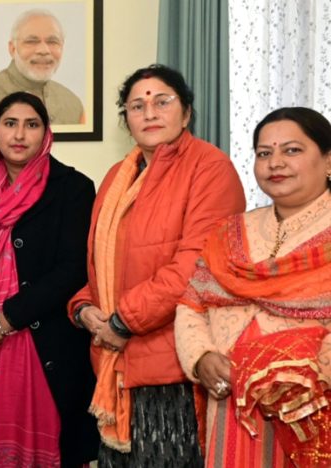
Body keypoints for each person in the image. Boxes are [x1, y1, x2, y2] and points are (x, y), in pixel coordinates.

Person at [67, 64, 246, 467]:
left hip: (173, 367)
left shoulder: (210, 168)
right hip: (115, 366)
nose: (149, 113)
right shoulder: (119, 176)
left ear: (185, 113)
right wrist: (83, 309)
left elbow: (194, 268)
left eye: (162, 102)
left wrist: (120, 322)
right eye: (136, 105)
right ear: (126, 120)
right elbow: (100, 264)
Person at [0, 91, 98, 466]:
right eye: (9, 123)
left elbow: (72, 269)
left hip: (46, 349)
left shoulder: (73, 189)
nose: (20, 134)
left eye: (32, 125)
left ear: (46, 135)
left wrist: (3, 319)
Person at [175, 107, 331, 467]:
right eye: (264, 153)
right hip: (231, 402)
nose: (275, 162)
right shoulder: (230, 232)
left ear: (327, 161)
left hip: (310, 408)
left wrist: (300, 376)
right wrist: (201, 358)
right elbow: (191, 302)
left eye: (292, 150)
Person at [0, 9, 85, 125]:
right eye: (31, 41)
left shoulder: (72, 104)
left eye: (52, 42)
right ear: (12, 49)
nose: (43, 50)